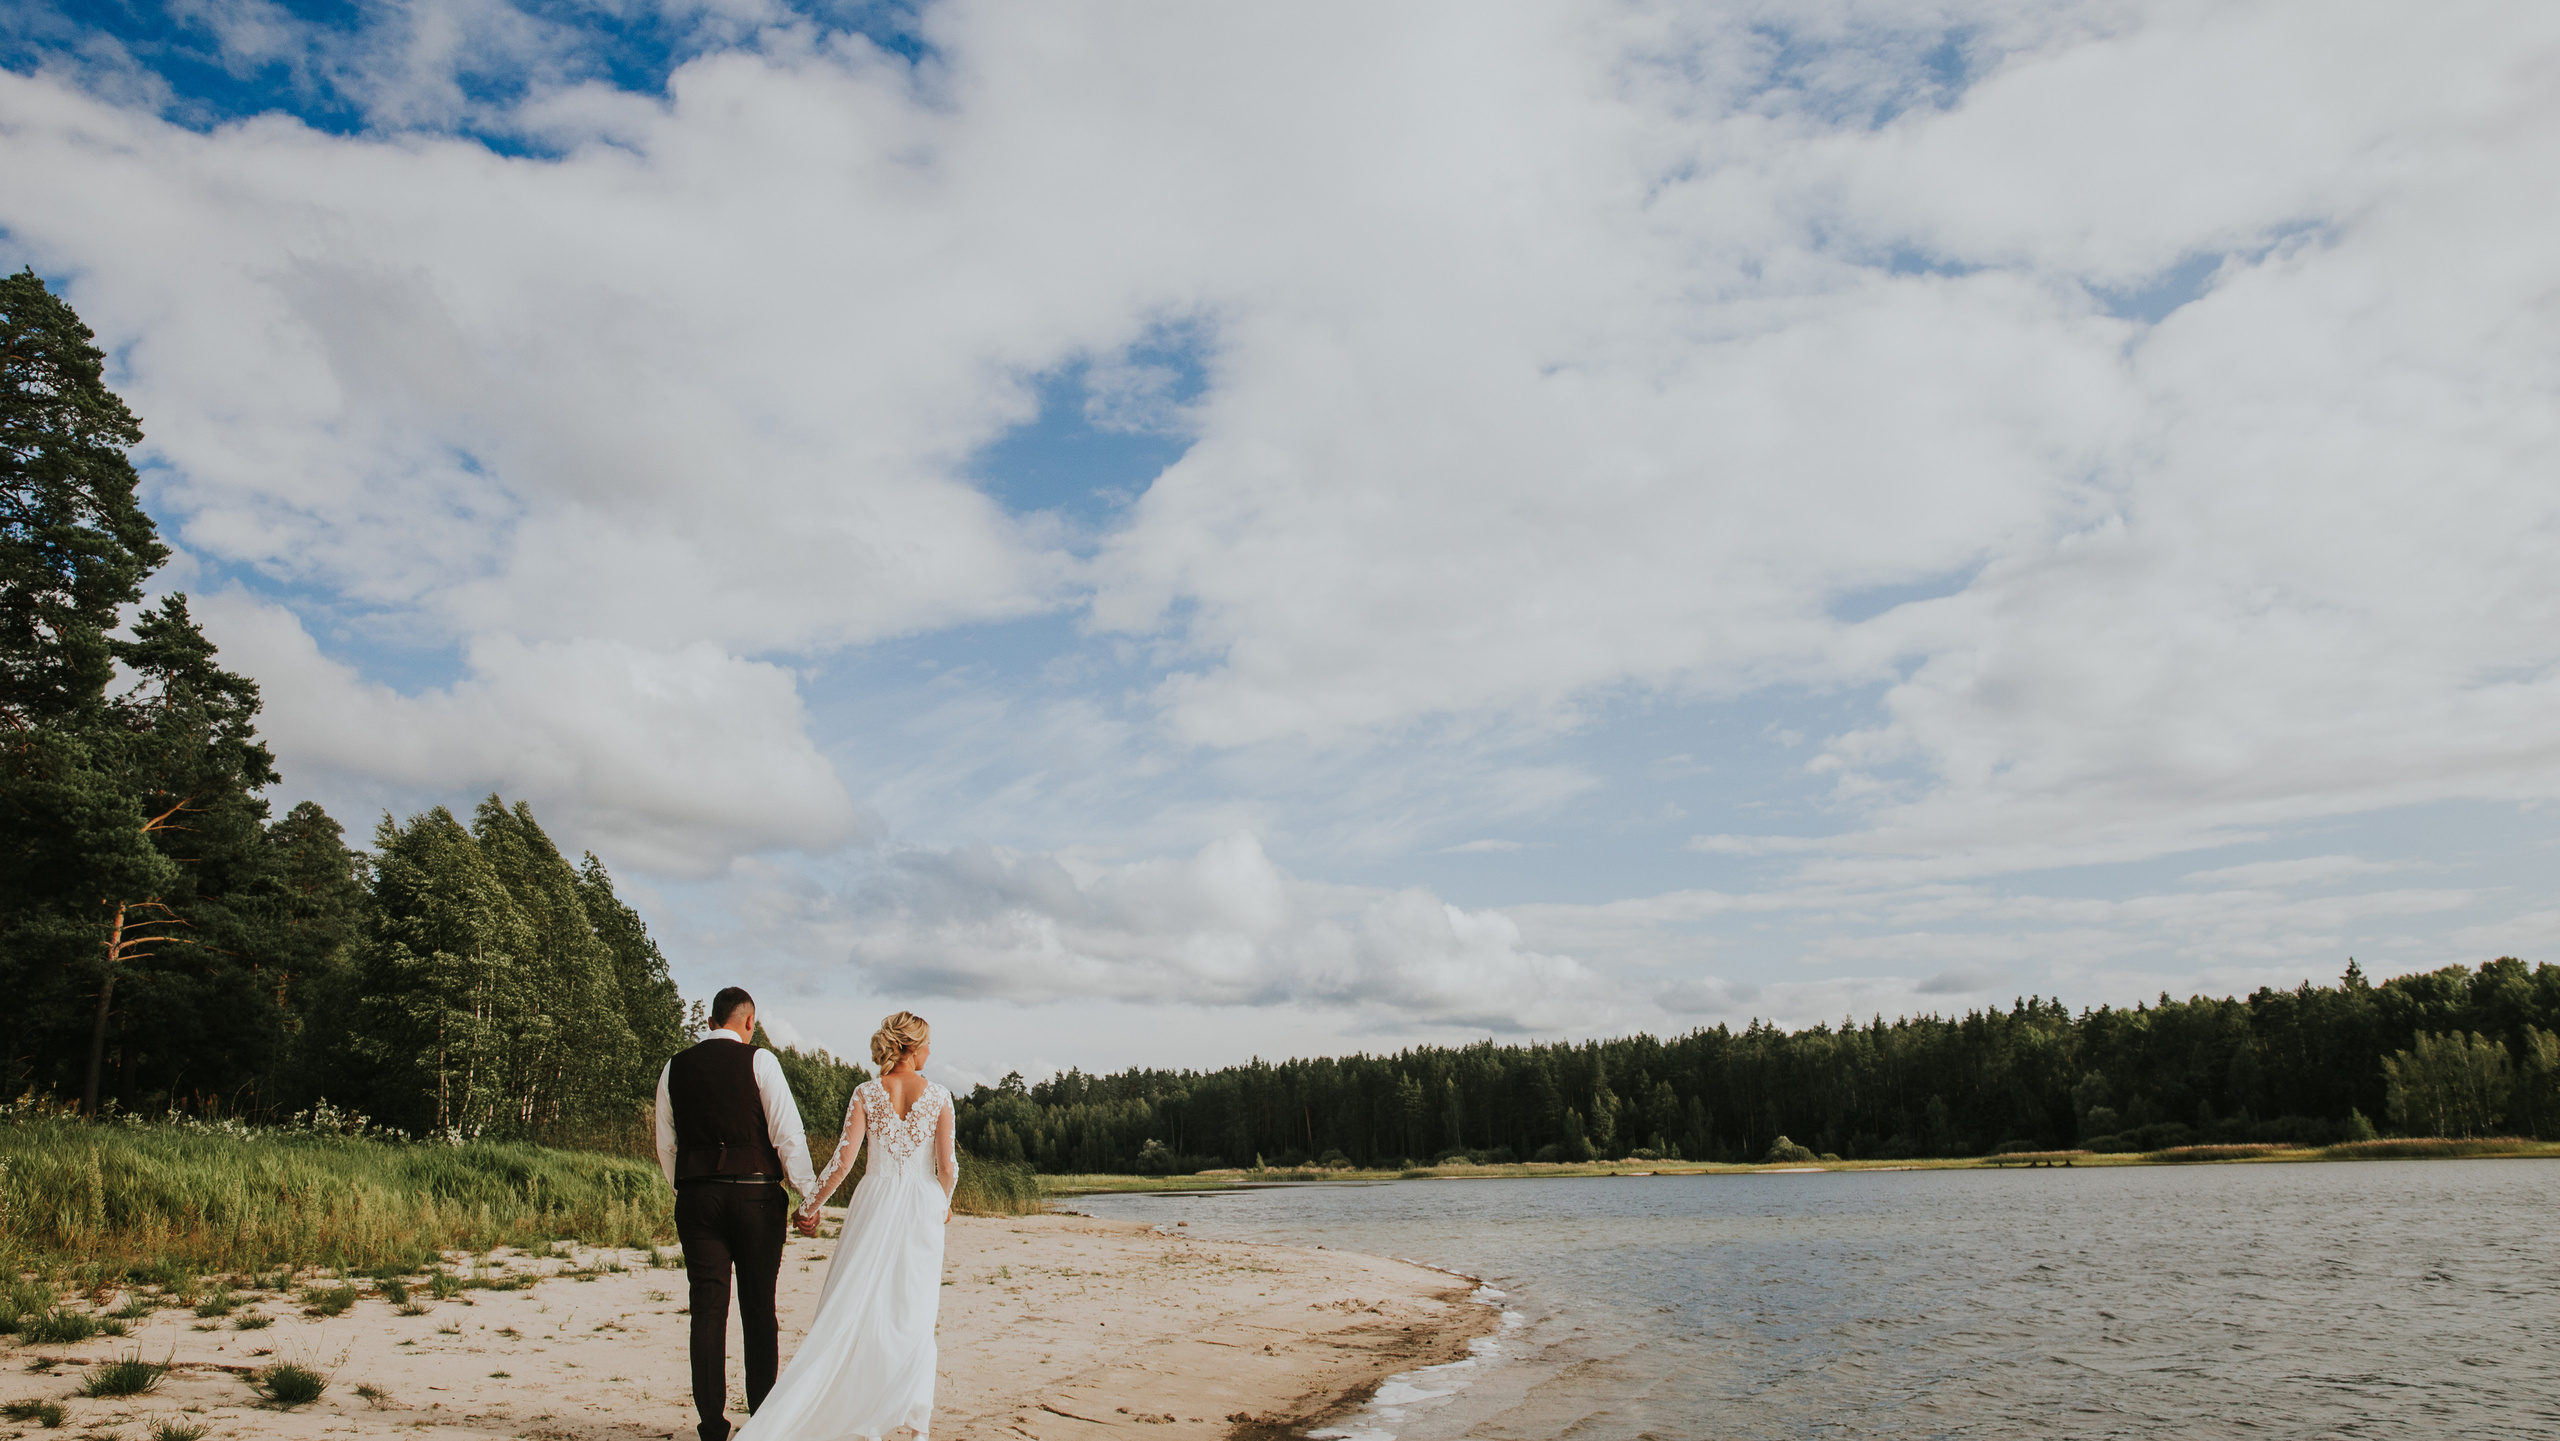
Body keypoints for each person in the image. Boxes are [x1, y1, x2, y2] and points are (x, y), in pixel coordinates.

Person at [737, 1011, 958, 1441]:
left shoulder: (866, 1093)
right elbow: (947, 1166)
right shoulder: (940, 1097)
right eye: (928, 1043)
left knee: (861, 1305)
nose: (932, 1050)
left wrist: (810, 1205)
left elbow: (842, 1163)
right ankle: (916, 1424)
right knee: (913, 1310)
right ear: (911, 1048)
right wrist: (944, 1203)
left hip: (873, 1202)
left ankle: (868, 1418)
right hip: (921, 1208)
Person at [656, 987, 819, 1441]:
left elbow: (666, 1143)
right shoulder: (760, 1062)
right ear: (749, 1022)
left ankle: (712, 1425)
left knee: (707, 1310)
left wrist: (688, 1186)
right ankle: (762, 1421)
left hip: (697, 1199)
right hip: (756, 1198)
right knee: (757, 1307)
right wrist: (808, 1196)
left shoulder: (674, 1067)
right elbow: (787, 1133)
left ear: (711, 1021)